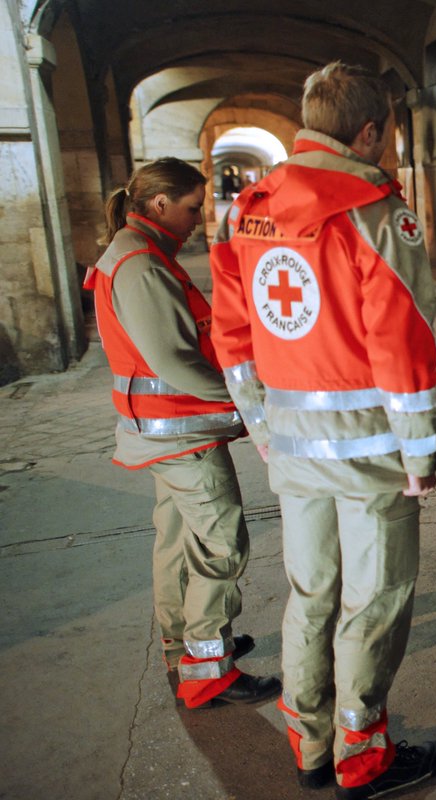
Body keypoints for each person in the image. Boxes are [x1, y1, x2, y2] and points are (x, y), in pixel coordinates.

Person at [209, 62, 436, 799]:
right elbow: (400, 343)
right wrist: (422, 453)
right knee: (373, 605)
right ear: (369, 131)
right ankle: (361, 756)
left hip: (291, 450)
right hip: (373, 454)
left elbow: (233, 337)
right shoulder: (373, 210)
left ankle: (309, 745)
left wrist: (264, 431)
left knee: (310, 595)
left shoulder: (248, 209)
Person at [85, 158, 281, 710]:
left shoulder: (135, 254)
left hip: (162, 431)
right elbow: (172, 359)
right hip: (180, 434)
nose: (199, 218)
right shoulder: (142, 264)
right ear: (159, 203)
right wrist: (243, 396)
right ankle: (208, 669)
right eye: (193, 207)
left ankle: (183, 649)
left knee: (176, 544)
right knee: (222, 545)